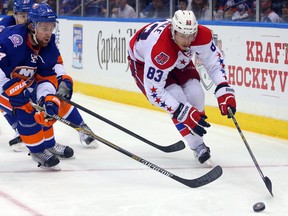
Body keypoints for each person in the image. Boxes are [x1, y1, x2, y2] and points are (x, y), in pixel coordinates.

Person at [127, 10, 236, 164]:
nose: (187, 41)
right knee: (177, 97)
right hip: (144, 62)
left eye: (191, 35)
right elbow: (155, 93)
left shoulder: (199, 36)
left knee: (196, 93)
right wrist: (182, 112)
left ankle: (194, 136)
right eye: (183, 36)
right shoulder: (160, 50)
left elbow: (214, 61)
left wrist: (223, 87)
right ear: (173, 31)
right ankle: (198, 146)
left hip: (177, 58)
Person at [0, 3, 94, 170]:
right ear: (32, 26)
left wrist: (47, 98)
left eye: (51, 28)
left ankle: (49, 144)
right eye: (44, 28)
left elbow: (46, 75)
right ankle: (37, 150)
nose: (48, 33)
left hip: (21, 82)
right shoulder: (13, 39)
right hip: (2, 83)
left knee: (44, 108)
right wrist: (11, 87)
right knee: (25, 108)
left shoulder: (45, 44)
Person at [0, 0, 34, 151]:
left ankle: (81, 127)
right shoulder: (7, 23)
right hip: (11, 67)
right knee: (5, 98)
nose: (26, 19)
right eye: (22, 15)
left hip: (29, 68)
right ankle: (19, 129)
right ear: (15, 14)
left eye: (28, 15)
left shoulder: (36, 27)